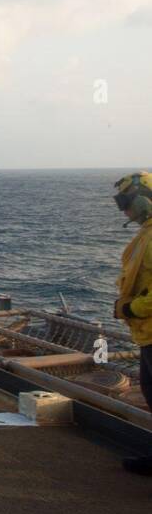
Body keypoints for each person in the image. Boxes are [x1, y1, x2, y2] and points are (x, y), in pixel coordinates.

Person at [113, 171, 152, 475]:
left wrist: (132, 309)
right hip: (147, 333)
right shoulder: (145, 235)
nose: (123, 210)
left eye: (125, 201)